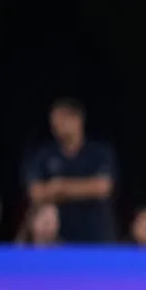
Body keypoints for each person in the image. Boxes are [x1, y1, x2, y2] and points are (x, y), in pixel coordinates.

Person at [22, 98, 117, 243]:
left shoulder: (99, 153)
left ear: (77, 120)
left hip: (96, 235)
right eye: (53, 122)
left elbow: (102, 187)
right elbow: (36, 193)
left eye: (61, 120)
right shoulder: (44, 155)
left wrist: (60, 186)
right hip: (57, 239)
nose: (56, 126)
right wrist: (82, 189)